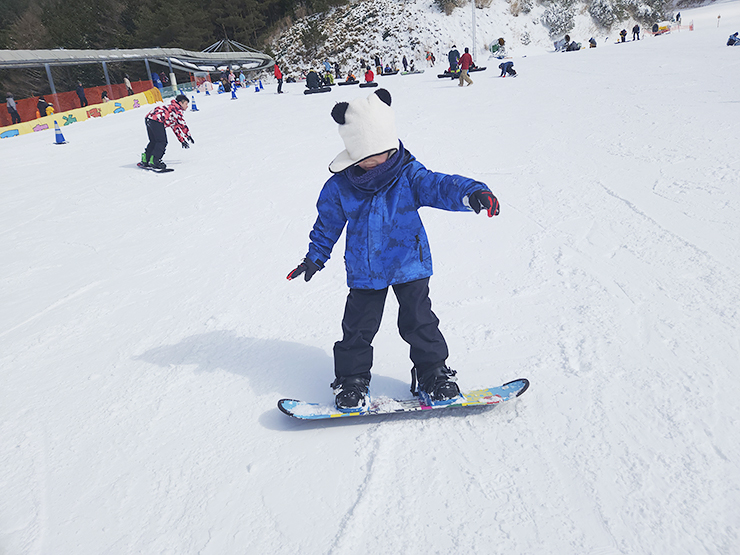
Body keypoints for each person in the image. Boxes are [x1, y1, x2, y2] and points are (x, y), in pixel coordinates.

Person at [286, 88, 500, 412]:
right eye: (367, 155)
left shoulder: (408, 174)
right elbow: (328, 223)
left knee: (419, 322)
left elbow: (440, 185)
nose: (376, 160)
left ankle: (433, 374)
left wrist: (473, 194)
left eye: (381, 152)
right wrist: (314, 257)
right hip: (365, 270)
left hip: (408, 264)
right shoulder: (340, 186)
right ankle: (352, 380)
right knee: (357, 328)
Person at [140, 94, 193, 170]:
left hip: (149, 118)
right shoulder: (176, 109)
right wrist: (188, 135)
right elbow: (182, 123)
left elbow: (175, 126)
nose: (187, 106)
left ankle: (146, 159)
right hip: (156, 120)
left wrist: (182, 140)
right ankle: (155, 161)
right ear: (181, 103)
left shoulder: (172, 108)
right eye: (186, 104)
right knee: (162, 141)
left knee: (154, 141)